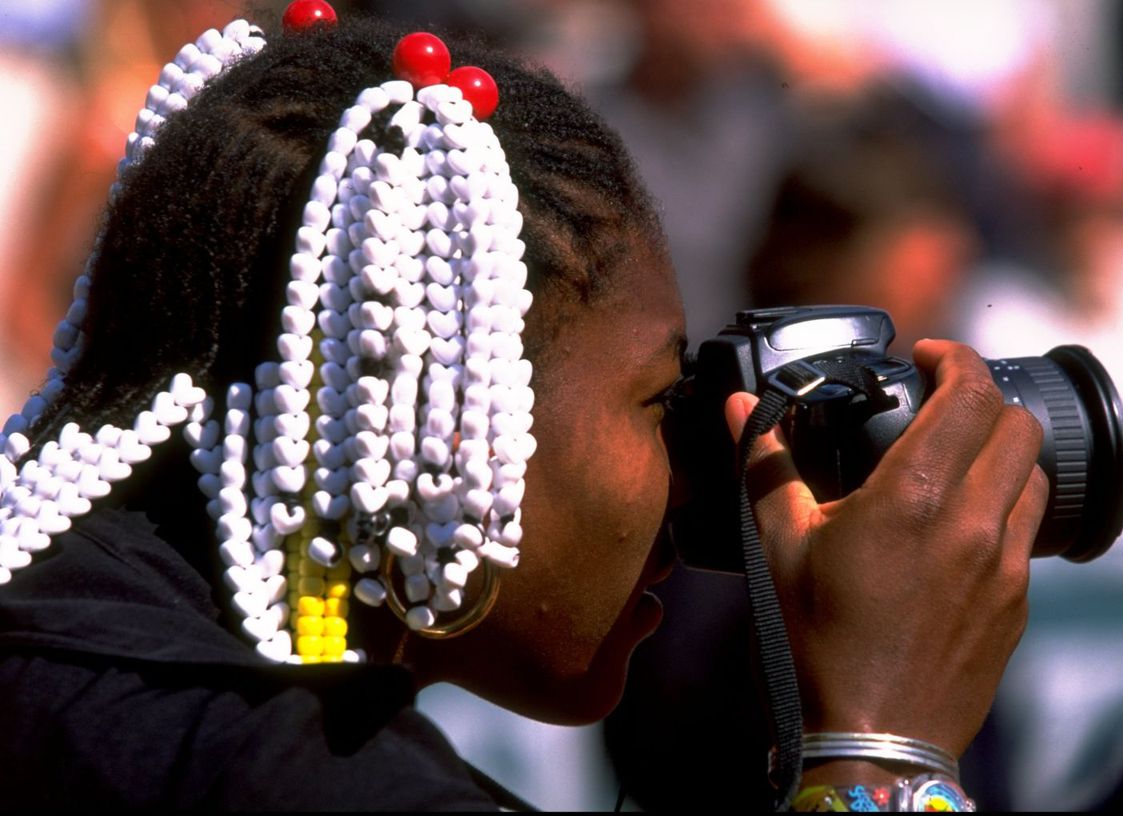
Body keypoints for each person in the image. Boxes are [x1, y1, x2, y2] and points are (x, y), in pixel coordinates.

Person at [0, 4, 1046, 810]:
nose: (696, 471)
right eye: (656, 398)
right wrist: (884, 744)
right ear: (441, 425)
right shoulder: (299, 783)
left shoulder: (76, 660)